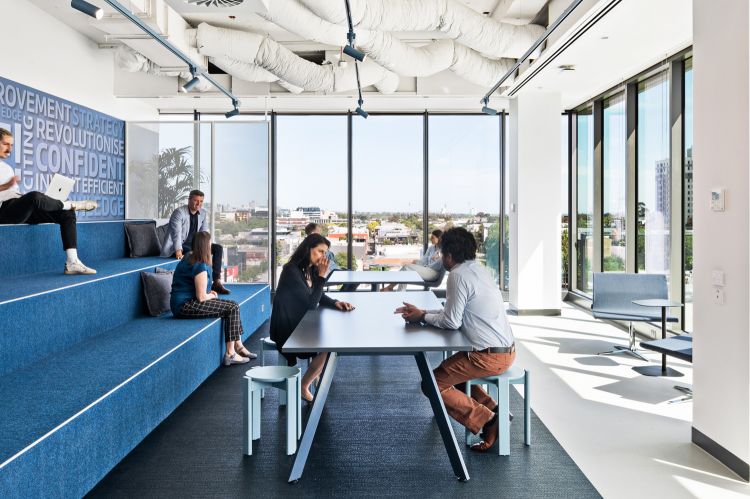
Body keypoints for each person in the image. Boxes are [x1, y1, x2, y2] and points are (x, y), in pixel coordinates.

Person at [395, 227, 515, 452]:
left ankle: (487, 421)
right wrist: (424, 314)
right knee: (453, 377)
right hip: (504, 349)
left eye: (441, 254)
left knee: (432, 384)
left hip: (487, 356)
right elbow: (454, 315)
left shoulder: (458, 275)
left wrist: (422, 316)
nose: (441, 258)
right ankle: (495, 411)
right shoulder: (478, 269)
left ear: (449, 256)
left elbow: (451, 322)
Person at [0, 127, 98, 275]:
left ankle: (72, 262)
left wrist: (23, 198)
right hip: (5, 212)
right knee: (35, 197)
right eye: (6, 144)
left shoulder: (7, 168)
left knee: (67, 213)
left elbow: (14, 194)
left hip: (18, 207)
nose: (9, 149)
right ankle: (71, 204)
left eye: (11, 145)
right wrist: (6, 186)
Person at [271, 233, 354, 402]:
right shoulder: (291, 270)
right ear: (308, 249)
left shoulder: (309, 269)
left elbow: (317, 295)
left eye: (325, 253)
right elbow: (311, 304)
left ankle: (314, 373)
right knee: (331, 346)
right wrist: (322, 277)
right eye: (319, 251)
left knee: (330, 338)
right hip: (287, 330)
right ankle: (304, 385)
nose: (323, 256)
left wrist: (335, 302)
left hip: (299, 324)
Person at [170, 231, 257, 365]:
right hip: (184, 305)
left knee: (231, 306)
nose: (212, 246)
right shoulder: (199, 264)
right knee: (232, 307)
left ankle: (239, 346)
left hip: (183, 302)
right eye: (210, 243)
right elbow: (201, 296)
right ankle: (230, 354)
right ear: (205, 246)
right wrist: (211, 295)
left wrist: (209, 294)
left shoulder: (189, 256)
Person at [162, 189, 229, 295]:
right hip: (180, 245)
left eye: (201, 201)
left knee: (218, 248)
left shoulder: (203, 213)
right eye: (196, 200)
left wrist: (208, 246)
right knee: (196, 254)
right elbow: (176, 234)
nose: (198, 204)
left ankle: (216, 282)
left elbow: (204, 234)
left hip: (195, 244)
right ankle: (203, 285)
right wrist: (178, 251)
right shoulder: (179, 212)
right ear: (189, 200)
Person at [304, 222, 358, 291]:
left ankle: (343, 295)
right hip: (327, 273)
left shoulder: (319, 243)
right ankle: (342, 296)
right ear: (313, 233)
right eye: (318, 231)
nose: (320, 232)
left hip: (332, 270)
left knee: (352, 273)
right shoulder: (311, 246)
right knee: (353, 276)